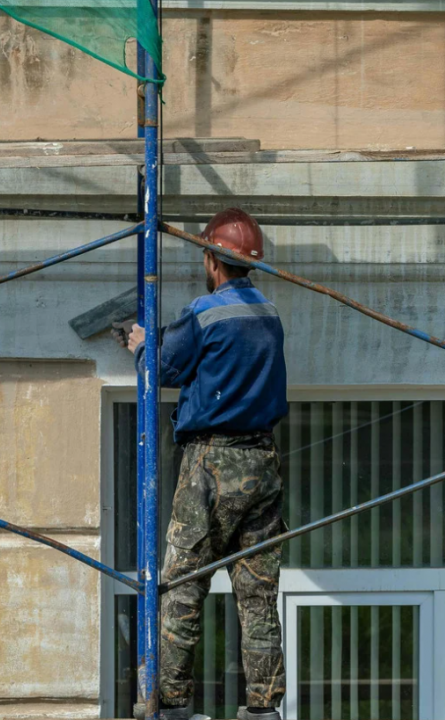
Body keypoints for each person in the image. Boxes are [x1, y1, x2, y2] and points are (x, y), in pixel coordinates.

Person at [116, 208, 289, 720]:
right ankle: (263, 708)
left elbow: (165, 367)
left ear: (213, 260)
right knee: (257, 591)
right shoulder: (271, 315)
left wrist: (142, 345)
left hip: (212, 462)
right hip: (263, 462)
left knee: (182, 582)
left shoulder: (206, 312)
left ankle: (170, 704)